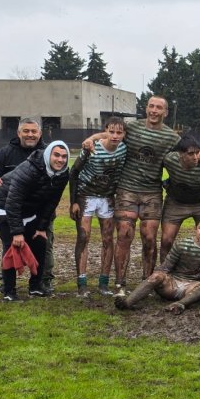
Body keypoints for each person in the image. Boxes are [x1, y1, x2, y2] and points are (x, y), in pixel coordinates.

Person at [83, 95, 180, 295]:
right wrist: (91, 139)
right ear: (146, 109)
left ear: (165, 112)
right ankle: (120, 283)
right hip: (127, 189)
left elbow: (187, 149)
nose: (154, 110)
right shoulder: (133, 128)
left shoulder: (171, 137)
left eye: (159, 108)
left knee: (150, 238)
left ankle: (147, 282)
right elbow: (110, 134)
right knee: (124, 236)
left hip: (152, 192)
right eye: (151, 106)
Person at [0, 141, 70, 301]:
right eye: (57, 155)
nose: (60, 160)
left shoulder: (63, 174)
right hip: (2, 205)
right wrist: (17, 232)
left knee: (40, 242)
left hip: (29, 208)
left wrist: (41, 227)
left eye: (64, 156)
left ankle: (35, 287)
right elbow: (13, 202)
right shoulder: (29, 169)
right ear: (48, 155)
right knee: (12, 245)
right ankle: (9, 291)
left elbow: (52, 202)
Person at [0, 117, 57, 292]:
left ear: (40, 133)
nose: (30, 135)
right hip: (11, 209)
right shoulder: (5, 153)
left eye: (34, 131)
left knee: (44, 245)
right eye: (26, 131)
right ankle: (7, 282)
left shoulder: (49, 153)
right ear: (18, 133)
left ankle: (43, 280)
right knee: (10, 244)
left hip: (39, 211)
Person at [114, 216, 200, 314]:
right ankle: (128, 302)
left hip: (193, 288)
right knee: (158, 275)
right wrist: (156, 280)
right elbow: (165, 267)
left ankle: (180, 304)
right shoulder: (182, 244)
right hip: (173, 284)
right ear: (195, 229)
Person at [69, 116, 127, 296]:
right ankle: (82, 284)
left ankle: (104, 283)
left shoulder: (123, 149)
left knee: (108, 239)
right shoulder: (92, 148)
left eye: (119, 132)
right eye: (111, 131)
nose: (115, 136)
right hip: (85, 196)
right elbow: (74, 172)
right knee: (84, 238)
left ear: (124, 134)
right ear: (106, 131)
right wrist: (74, 202)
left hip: (106, 198)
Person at [159, 136, 200, 262]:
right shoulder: (170, 160)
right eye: (190, 154)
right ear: (181, 154)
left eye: (197, 152)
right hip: (176, 202)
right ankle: (164, 271)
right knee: (166, 240)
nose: (195, 157)